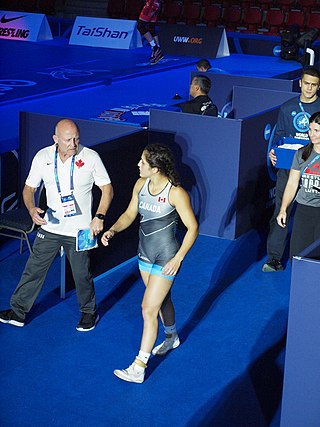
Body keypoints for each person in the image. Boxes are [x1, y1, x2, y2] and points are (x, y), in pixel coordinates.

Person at [0, 119, 113, 331]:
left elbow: (107, 188)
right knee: (33, 269)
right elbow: (28, 189)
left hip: (81, 231)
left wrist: (99, 216)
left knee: (82, 275)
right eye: (68, 140)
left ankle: (89, 313)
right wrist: (32, 209)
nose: (74, 144)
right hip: (50, 228)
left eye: (77, 138)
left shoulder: (90, 157)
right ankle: (17, 311)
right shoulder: (42, 157)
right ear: (56, 139)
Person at [101, 144, 198, 383]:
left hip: (167, 257)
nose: (138, 165)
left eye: (142, 162)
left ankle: (139, 366)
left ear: (155, 168)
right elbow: (129, 215)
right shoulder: (139, 185)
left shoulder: (176, 193)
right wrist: (112, 229)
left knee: (148, 309)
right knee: (162, 300)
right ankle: (171, 336)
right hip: (144, 255)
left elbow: (193, 228)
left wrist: (178, 258)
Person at [262, 67, 320, 272]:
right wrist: (273, 153)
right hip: (289, 167)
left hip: (316, 171)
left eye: (314, 84)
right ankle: (274, 258)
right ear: (300, 83)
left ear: (318, 86)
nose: (309, 88)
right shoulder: (287, 108)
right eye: (306, 83)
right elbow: (279, 137)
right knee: (281, 210)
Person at [277, 111, 320, 259]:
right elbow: (292, 184)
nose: (311, 134)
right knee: (298, 257)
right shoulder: (301, 154)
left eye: (316, 131)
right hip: (303, 211)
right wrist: (283, 209)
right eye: (310, 129)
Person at [138, 0, 164, 65]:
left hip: (151, 4)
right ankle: (158, 51)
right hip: (156, 4)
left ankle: (155, 48)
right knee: (151, 28)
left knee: (141, 26)